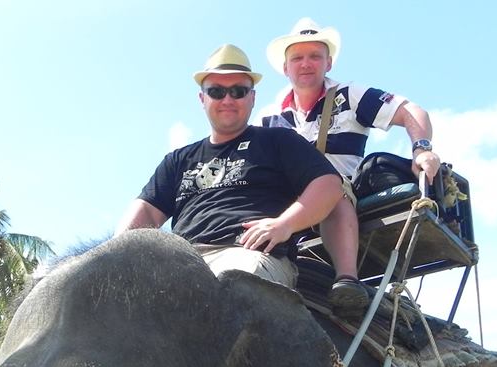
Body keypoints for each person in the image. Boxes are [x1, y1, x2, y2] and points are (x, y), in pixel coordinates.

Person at [116, 44, 342, 290]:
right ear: (202, 99)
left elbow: (328, 185)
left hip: (247, 255)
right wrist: (114, 257)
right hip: (180, 261)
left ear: (252, 98)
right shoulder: (178, 160)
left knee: (234, 288)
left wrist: (284, 224)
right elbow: (147, 211)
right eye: (216, 91)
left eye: (238, 91)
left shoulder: (278, 141)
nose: (227, 100)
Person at [260, 18, 442, 309]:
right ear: (285, 68)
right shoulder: (270, 117)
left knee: (331, 189)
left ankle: (347, 280)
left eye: (314, 56)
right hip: (285, 200)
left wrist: (421, 149)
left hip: (335, 189)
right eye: (297, 57)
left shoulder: (350, 95)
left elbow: (410, 111)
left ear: (328, 63)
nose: (306, 63)